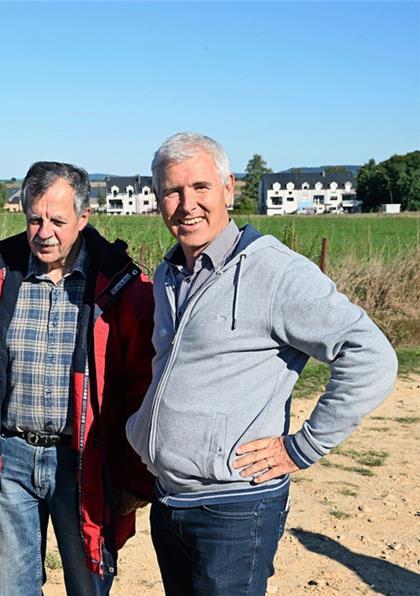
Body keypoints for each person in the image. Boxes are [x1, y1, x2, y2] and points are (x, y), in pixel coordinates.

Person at [125, 132, 398, 596]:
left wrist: (302, 447)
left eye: (200, 187)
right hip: (171, 499)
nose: (186, 204)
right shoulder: (171, 273)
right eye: (172, 191)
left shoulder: (274, 272)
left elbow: (371, 356)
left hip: (235, 509)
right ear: (157, 200)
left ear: (228, 188)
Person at [0, 161, 155, 595]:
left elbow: (140, 387)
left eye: (57, 220)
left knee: (87, 586)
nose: (44, 232)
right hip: (11, 458)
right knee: (15, 588)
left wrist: (134, 476)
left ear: (83, 218)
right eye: (35, 219)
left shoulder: (119, 286)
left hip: (83, 462)